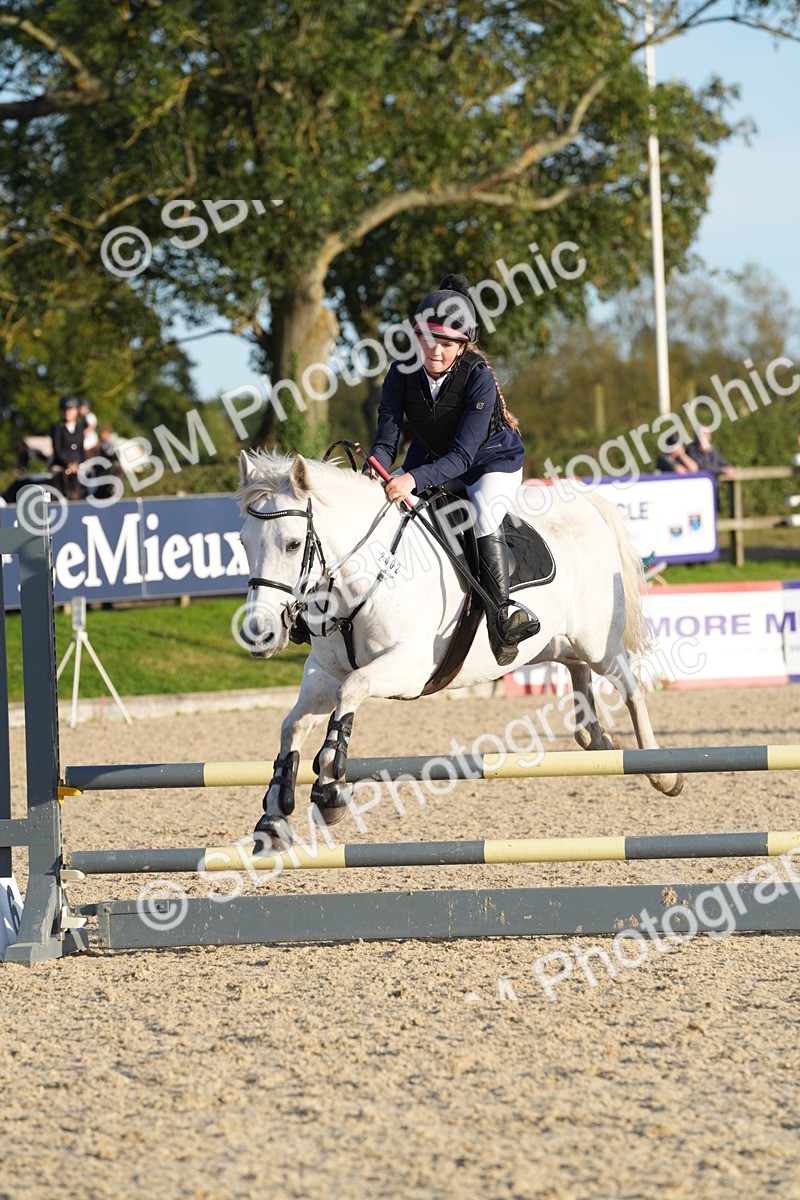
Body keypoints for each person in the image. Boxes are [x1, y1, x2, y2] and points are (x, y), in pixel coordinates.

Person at [367, 273, 539, 666]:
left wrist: (411, 477)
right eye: (429, 342)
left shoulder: (478, 378)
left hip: (490, 463)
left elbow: (463, 458)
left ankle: (502, 616)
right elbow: (387, 441)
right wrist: (375, 471)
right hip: (435, 455)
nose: (436, 352)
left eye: (446, 345)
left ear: (463, 347)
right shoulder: (399, 374)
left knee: (481, 516)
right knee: (391, 510)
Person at [50, 394, 85, 498]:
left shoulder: (79, 428)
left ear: (76, 411)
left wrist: (78, 463)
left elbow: (81, 450)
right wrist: (68, 464)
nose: (67, 412)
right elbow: (57, 450)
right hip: (61, 467)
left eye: (70, 409)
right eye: (65, 410)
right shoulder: (57, 428)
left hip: (77, 467)